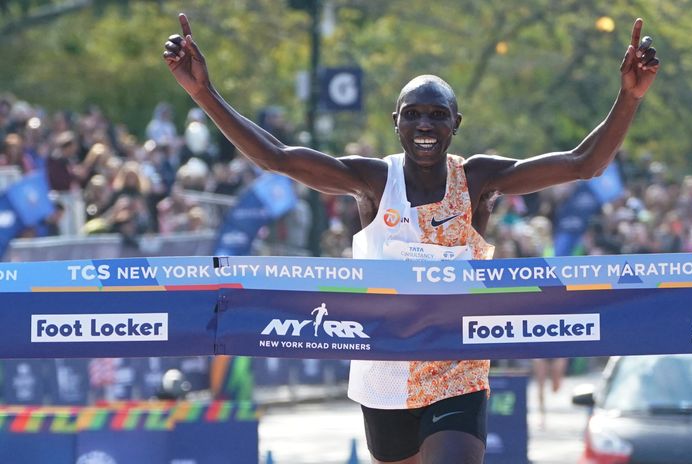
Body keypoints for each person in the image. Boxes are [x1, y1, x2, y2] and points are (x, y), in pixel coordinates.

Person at [163, 13, 659, 464]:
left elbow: (584, 163)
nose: (425, 124)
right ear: (395, 123)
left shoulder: (478, 180)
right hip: (385, 366)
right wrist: (205, 93)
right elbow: (276, 157)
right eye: (414, 114)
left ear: (456, 125)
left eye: (437, 115)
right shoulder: (375, 182)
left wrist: (630, 97)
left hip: (457, 363)